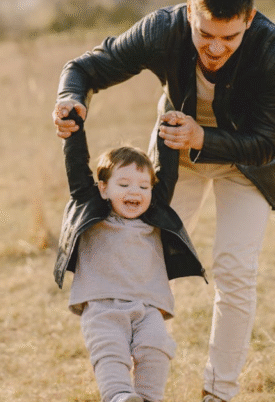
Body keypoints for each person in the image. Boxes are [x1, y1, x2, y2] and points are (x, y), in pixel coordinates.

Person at [51, 0, 275, 400]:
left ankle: (219, 391)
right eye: (205, 35)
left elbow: (269, 142)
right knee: (145, 259)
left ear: (250, 19)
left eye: (230, 37)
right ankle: (127, 384)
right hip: (174, 157)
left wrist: (204, 138)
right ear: (189, 15)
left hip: (246, 163)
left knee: (235, 272)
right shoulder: (162, 29)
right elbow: (85, 68)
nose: (215, 48)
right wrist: (71, 98)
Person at [53, 110, 205, 402]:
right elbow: (75, 166)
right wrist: (73, 125)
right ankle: (120, 396)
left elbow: (168, 171)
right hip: (102, 306)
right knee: (110, 351)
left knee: (156, 348)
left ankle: (148, 398)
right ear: (103, 189)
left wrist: (169, 124)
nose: (134, 192)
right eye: (123, 185)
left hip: (148, 308)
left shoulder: (155, 216)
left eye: (143, 186)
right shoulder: (93, 212)